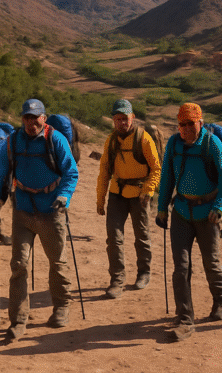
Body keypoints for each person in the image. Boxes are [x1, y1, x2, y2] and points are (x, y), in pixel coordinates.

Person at [0, 98, 79, 341]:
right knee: (18, 265)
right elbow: (2, 173)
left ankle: (62, 307)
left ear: (44, 117)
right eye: (28, 118)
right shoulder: (12, 142)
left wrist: (64, 195)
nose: (32, 123)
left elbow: (71, 172)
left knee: (58, 261)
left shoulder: (56, 140)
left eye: (36, 118)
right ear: (23, 119)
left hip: (51, 209)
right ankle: (18, 321)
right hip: (22, 210)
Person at [155, 102, 222, 342]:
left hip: (207, 214)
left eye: (191, 123)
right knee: (181, 267)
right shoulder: (173, 144)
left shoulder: (212, 144)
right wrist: (161, 208)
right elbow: (167, 176)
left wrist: (220, 206)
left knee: (211, 262)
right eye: (182, 124)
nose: (186, 128)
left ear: (200, 122)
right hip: (181, 212)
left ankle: (221, 300)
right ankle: (185, 318)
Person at [96, 98, 161, 298]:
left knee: (141, 236)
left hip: (139, 195)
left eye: (125, 118)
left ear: (132, 117)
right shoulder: (111, 140)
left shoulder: (144, 139)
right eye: (117, 119)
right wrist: (100, 200)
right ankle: (117, 279)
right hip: (117, 194)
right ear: (113, 120)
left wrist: (148, 191)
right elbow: (104, 171)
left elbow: (157, 169)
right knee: (114, 239)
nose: (122, 123)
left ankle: (144, 272)